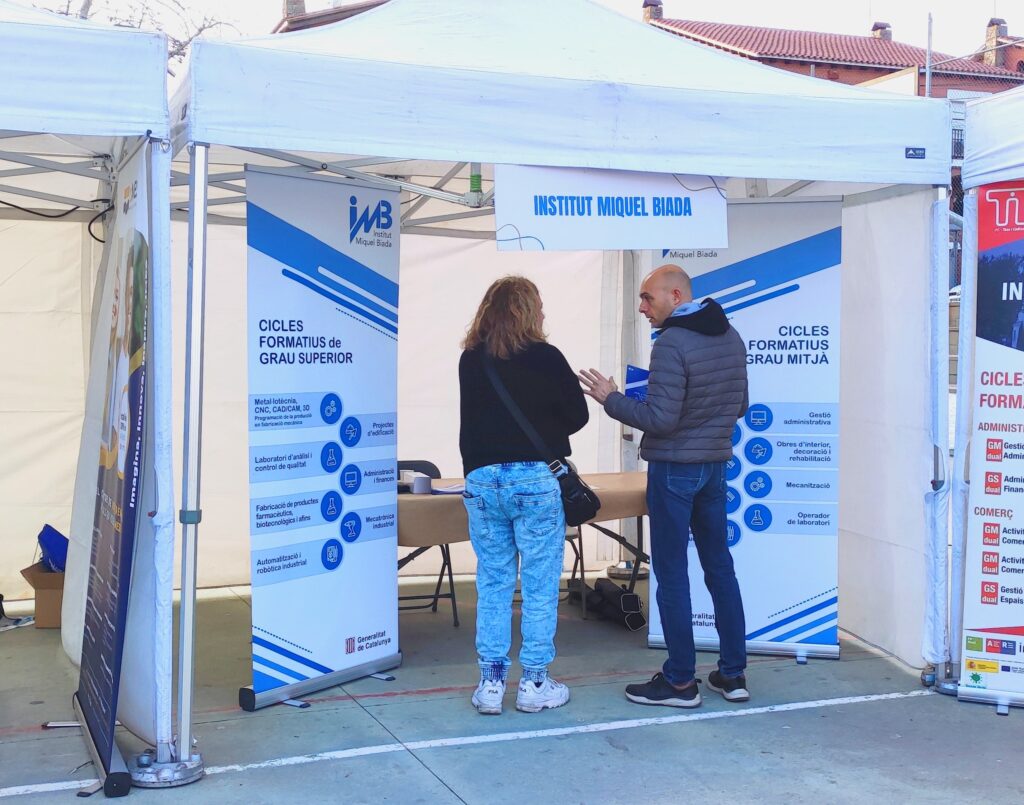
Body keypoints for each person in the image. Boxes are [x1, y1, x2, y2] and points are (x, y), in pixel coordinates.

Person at [579, 265, 749, 709]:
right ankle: (733, 674)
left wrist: (611, 399)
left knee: (672, 574)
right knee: (720, 569)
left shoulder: (672, 342)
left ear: (675, 296)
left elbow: (661, 420)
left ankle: (678, 682)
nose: (641, 307)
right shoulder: (731, 336)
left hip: (674, 470)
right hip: (714, 467)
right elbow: (740, 406)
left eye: (647, 298)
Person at [459, 276, 589, 715]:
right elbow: (577, 416)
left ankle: (491, 683)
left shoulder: (470, 359)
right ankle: (534, 681)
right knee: (538, 583)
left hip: (482, 478)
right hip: (534, 478)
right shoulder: (547, 357)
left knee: (493, 581)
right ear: (531, 311)